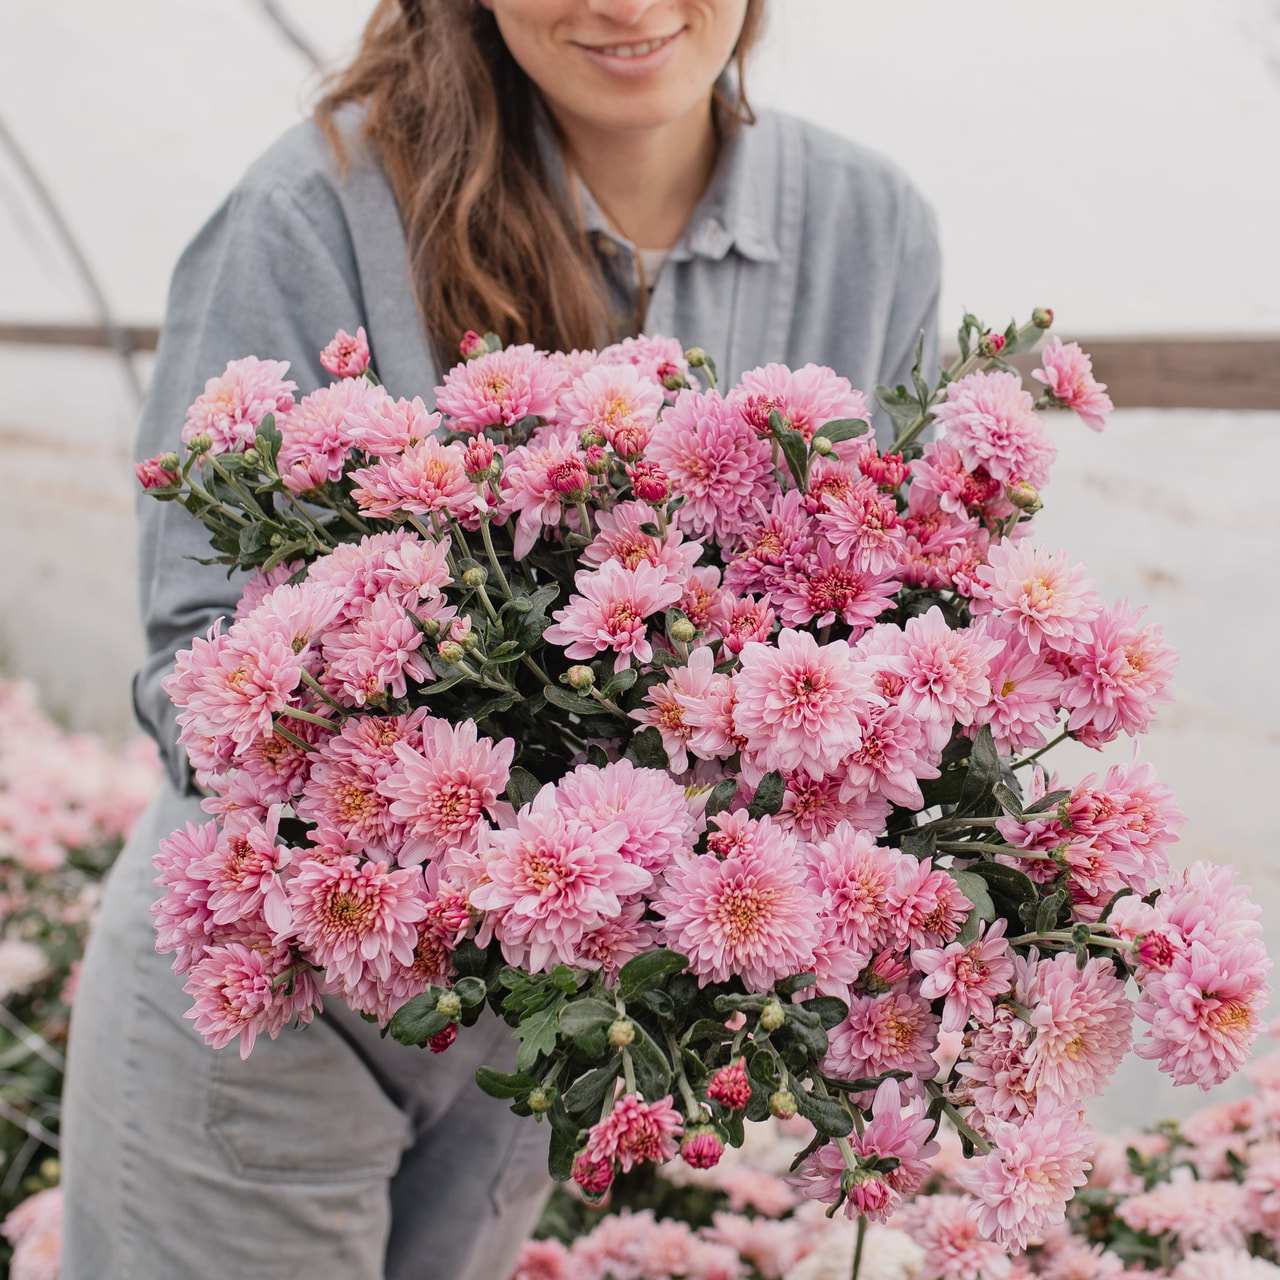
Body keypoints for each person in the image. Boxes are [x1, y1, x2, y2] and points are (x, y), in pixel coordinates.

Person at [60, 1, 940, 1276]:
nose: (625, 6)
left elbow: (905, 594)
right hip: (282, 994)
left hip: (547, 1016)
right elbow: (193, 655)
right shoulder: (319, 208)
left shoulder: (869, 228)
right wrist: (447, 816)